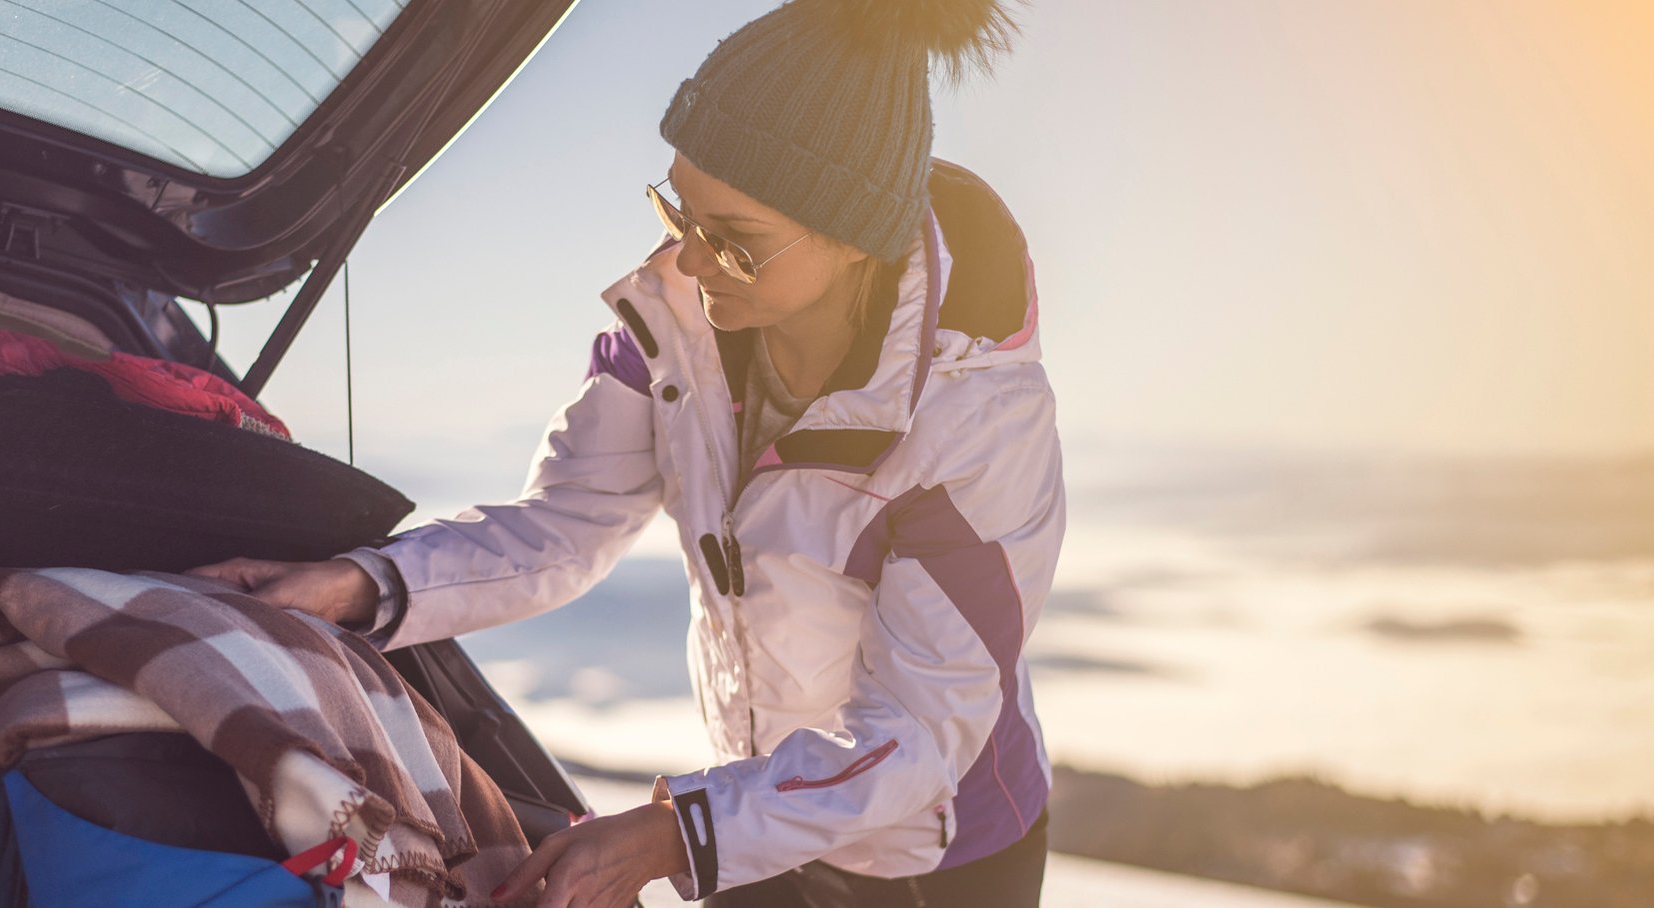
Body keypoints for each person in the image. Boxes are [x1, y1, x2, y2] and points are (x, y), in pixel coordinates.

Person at [190, 1, 1062, 904]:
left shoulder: (975, 427)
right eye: (678, 208)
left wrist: (676, 834)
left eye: (735, 242)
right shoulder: (673, 329)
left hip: (936, 851)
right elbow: (565, 524)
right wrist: (363, 585)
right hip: (747, 812)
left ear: (853, 240)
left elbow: (919, 731)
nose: (686, 262)